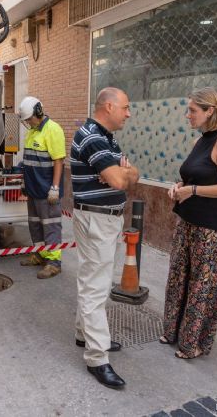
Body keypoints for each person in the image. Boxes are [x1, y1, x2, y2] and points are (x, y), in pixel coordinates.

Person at [160, 87, 217, 360]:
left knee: (201, 286)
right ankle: (173, 332)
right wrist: (180, 185)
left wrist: (192, 191)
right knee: (178, 277)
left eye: (193, 111)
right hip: (187, 220)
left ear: (210, 112)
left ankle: (193, 342)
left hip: (211, 228)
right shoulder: (201, 141)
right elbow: (196, 177)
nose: (188, 115)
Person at [70, 87, 139, 389]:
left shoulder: (106, 138)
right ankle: (97, 357)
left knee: (91, 280)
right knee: (95, 288)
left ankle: (83, 333)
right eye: (125, 107)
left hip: (103, 219)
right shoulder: (93, 137)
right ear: (109, 106)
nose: (128, 113)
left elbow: (131, 175)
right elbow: (118, 180)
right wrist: (119, 174)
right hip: (97, 219)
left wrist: (125, 173)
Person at [17, 96, 66, 279]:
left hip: (47, 190)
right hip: (33, 188)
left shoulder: (53, 130)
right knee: (35, 224)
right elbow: (28, 161)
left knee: (50, 225)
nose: (29, 123)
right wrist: (24, 182)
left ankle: (54, 262)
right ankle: (39, 254)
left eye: (30, 119)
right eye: (26, 120)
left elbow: (58, 161)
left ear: (38, 112)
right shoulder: (32, 132)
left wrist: (55, 187)